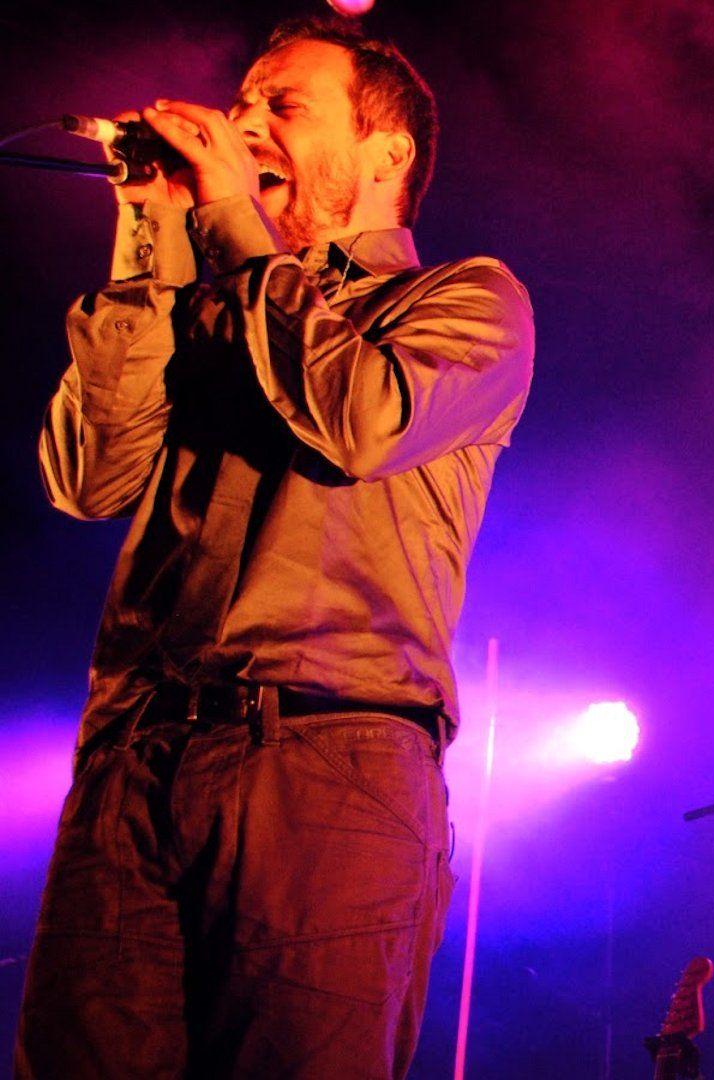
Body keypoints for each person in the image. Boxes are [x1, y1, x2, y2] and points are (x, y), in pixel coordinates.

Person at [15, 15, 534, 1078]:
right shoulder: (209, 306)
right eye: (242, 105)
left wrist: (233, 226)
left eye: (283, 107)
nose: (246, 125)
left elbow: (359, 419)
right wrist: (149, 233)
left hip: (326, 759)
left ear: (386, 152)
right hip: (132, 757)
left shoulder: (466, 299)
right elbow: (87, 479)